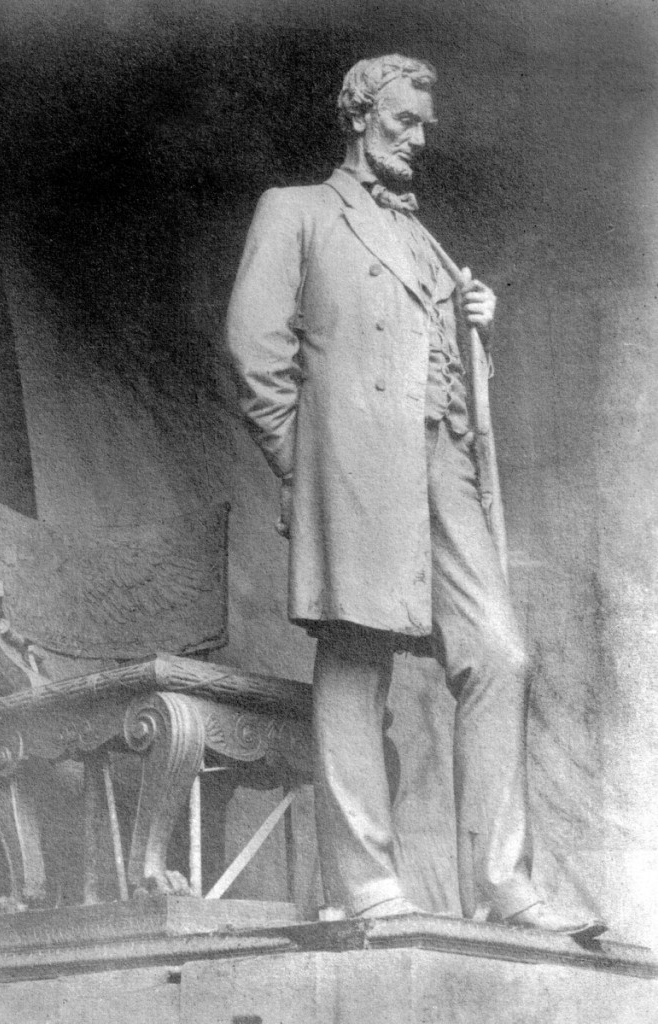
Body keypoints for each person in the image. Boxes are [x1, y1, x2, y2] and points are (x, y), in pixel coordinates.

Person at [226, 54, 604, 937]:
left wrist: (479, 333)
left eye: (426, 125)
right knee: (358, 657)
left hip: (443, 468)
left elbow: (453, 379)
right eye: (405, 120)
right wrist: (312, 473)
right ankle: (368, 884)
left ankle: (502, 885)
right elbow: (254, 357)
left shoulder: (429, 243)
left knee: (498, 655)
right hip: (354, 472)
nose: (420, 137)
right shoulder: (299, 212)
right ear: (361, 115)